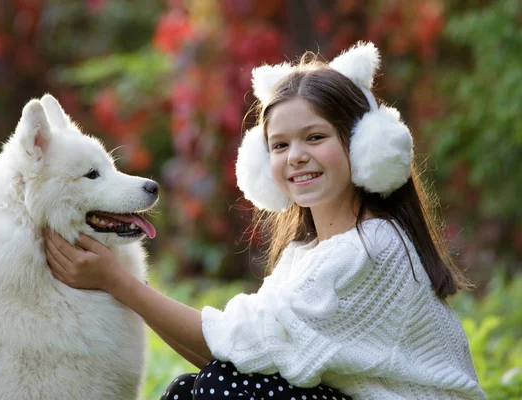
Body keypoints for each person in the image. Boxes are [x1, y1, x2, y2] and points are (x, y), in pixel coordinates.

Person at [43, 42, 486, 399]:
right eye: (279, 145)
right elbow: (228, 354)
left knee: (223, 388)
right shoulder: (306, 254)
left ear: (365, 145)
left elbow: (228, 353)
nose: (296, 157)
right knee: (188, 390)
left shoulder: (370, 249)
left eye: (315, 137)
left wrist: (116, 282)